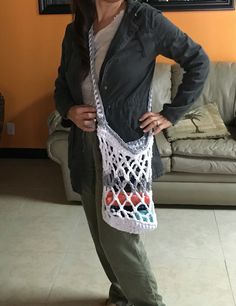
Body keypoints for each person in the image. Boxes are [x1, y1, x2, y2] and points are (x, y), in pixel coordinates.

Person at [54, 0, 209, 305]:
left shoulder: (144, 20)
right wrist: (69, 110)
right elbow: (61, 84)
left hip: (124, 149)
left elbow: (198, 61)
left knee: (120, 237)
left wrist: (171, 114)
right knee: (101, 236)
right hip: (85, 148)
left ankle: (148, 302)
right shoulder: (75, 29)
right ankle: (121, 292)